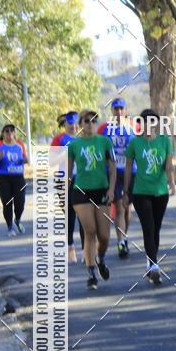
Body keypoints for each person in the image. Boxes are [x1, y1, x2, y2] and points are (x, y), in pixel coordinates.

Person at [124, 109, 175, 285]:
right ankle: (154, 266)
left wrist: (172, 183)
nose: (148, 125)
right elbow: (129, 168)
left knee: (156, 230)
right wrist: (125, 190)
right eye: (145, 121)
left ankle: (151, 262)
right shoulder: (134, 143)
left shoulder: (164, 141)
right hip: (140, 192)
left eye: (152, 121)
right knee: (148, 227)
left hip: (160, 192)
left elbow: (168, 165)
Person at [67, 110, 116, 290]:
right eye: (87, 121)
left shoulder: (105, 142)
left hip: (101, 191)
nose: (90, 124)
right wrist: (64, 194)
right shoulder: (74, 145)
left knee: (104, 236)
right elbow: (68, 172)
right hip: (81, 192)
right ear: (80, 124)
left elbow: (112, 168)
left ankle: (100, 259)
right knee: (90, 231)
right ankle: (91, 273)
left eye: (94, 121)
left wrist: (111, 189)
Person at [98, 97, 134, 259]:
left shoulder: (133, 128)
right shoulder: (104, 129)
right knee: (119, 208)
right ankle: (121, 242)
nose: (119, 112)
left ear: (125, 111)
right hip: (112, 173)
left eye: (121, 109)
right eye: (116, 109)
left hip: (130, 172)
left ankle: (123, 237)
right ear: (112, 111)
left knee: (127, 210)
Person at [51, 111, 84, 262]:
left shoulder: (84, 137)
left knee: (84, 215)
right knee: (69, 216)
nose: (74, 127)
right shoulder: (59, 139)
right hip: (64, 180)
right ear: (65, 124)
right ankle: (70, 246)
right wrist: (65, 154)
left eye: (76, 124)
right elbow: (51, 161)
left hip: (83, 180)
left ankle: (85, 249)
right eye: (70, 124)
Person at [0, 124, 28, 236]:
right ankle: (10, 227)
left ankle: (18, 219)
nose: (10, 132)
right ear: (3, 134)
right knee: (7, 203)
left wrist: (25, 159)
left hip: (18, 177)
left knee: (20, 202)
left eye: (12, 130)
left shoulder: (20, 145)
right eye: (7, 131)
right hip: (4, 178)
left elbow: (24, 159)